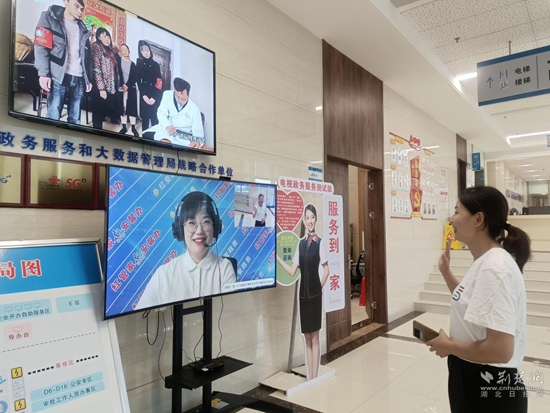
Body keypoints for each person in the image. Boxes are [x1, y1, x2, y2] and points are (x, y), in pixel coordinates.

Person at [427, 186, 530, 413]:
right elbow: (469, 300)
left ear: (478, 219)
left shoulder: (494, 268)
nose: (451, 219)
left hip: (488, 386)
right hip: (474, 375)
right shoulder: (485, 261)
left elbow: (500, 350)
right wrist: (446, 272)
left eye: (457, 211)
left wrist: (449, 347)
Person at [136, 192, 236, 309]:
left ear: (215, 228)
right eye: (191, 223)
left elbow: (232, 312)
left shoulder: (225, 268)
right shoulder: (164, 274)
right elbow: (140, 315)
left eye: (206, 222)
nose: (199, 231)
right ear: (180, 229)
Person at [276, 204, 329, 380]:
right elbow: (292, 271)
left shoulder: (320, 243)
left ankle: (315, 376)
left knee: (315, 338)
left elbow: (326, 271)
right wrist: (277, 258)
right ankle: (309, 377)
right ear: (304, 221)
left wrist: (319, 288)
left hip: (315, 296)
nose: (310, 220)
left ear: (316, 219)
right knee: (307, 338)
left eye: (312, 217)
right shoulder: (300, 244)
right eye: (307, 217)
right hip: (303, 297)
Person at [33, 0, 92, 124]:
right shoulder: (49, 17)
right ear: (66, 2)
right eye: (76, 6)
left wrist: (88, 79)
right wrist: (43, 73)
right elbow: (41, 46)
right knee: (53, 116)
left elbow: (87, 58)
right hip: (58, 77)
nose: (79, 11)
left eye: (82, 9)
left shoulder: (84, 29)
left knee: (75, 119)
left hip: (79, 78)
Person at [142, 77, 207, 149]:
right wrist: (167, 126)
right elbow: (161, 113)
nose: (180, 101)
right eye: (178, 97)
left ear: (188, 95)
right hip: (167, 130)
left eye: (183, 99)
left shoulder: (194, 109)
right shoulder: (167, 95)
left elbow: (198, 131)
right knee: (146, 135)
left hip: (183, 136)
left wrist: (197, 141)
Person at [91, 28, 120, 129]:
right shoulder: (96, 47)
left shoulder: (110, 50)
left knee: (104, 108)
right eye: (104, 36)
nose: (107, 39)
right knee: (98, 110)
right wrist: (101, 88)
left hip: (110, 85)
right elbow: (96, 69)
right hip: (100, 85)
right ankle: (96, 131)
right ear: (99, 37)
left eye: (108, 37)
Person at [136, 40, 162, 131]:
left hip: (155, 96)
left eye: (147, 50)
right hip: (144, 96)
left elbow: (159, 82)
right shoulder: (139, 63)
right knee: (145, 121)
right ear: (140, 52)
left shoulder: (156, 65)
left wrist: (154, 97)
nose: (146, 53)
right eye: (143, 51)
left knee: (155, 121)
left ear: (150, 51)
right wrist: (144, 95)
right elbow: (139, 81)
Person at [116, 44, 139, 137]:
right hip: (121, 88)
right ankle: (124, 126)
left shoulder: (133, 64)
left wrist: (127, 85)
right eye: (123, 50)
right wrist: (122, 84)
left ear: (129, 51)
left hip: (131, 88)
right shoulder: (118, 62)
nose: (125, 51)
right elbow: (117, 75)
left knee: (132, 107)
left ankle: (133, 127)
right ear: (120, 51)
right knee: (123, 107)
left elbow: (135, 77)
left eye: (126, 49)